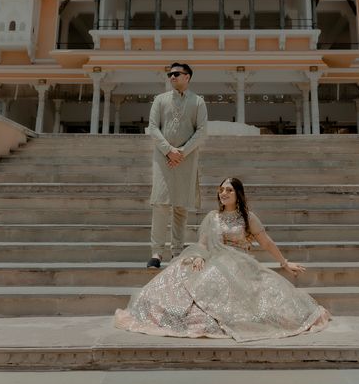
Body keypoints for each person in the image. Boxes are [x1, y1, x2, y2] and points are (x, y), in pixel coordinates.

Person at [115, 177, 330, 342]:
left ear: (238, 194)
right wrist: (199, 256)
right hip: (214, 258)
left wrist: (284, 263)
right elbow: (203, 243)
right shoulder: (212, 217)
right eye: (221, 190)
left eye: (229, 190)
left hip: (240, 264)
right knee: (182, 268)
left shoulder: (248, 217)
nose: (223, 193)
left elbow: (266, 243)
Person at [145, 62, 207, 269]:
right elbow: (153, 128)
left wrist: (181, 152)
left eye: (176, 74)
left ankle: (177, 251)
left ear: (187, 77)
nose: (171, 77)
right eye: (169, 74)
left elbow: (201, 131)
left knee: (180, 206)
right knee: (161, 204)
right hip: (163, 159)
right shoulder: (160, 100)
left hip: (186, 159)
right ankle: (156, 252)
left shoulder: (198, 102)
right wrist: (168, 150)